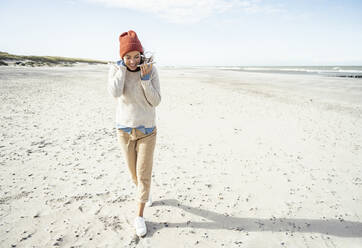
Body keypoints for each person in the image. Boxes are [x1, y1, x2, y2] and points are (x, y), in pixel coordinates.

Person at [107, 30, 161, 237]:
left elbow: (156, 101)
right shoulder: (115, 70)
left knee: (143, 175)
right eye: (127, 57)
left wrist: (145, 79)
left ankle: (139, 216)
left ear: (141, 54)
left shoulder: (150, 70)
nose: (132, 60)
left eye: (136, 56)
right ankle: (144, 193)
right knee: (134, 175)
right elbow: (115, 93)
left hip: (148, 131)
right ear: (122, 56)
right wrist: (121, 71)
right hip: (124, 130)